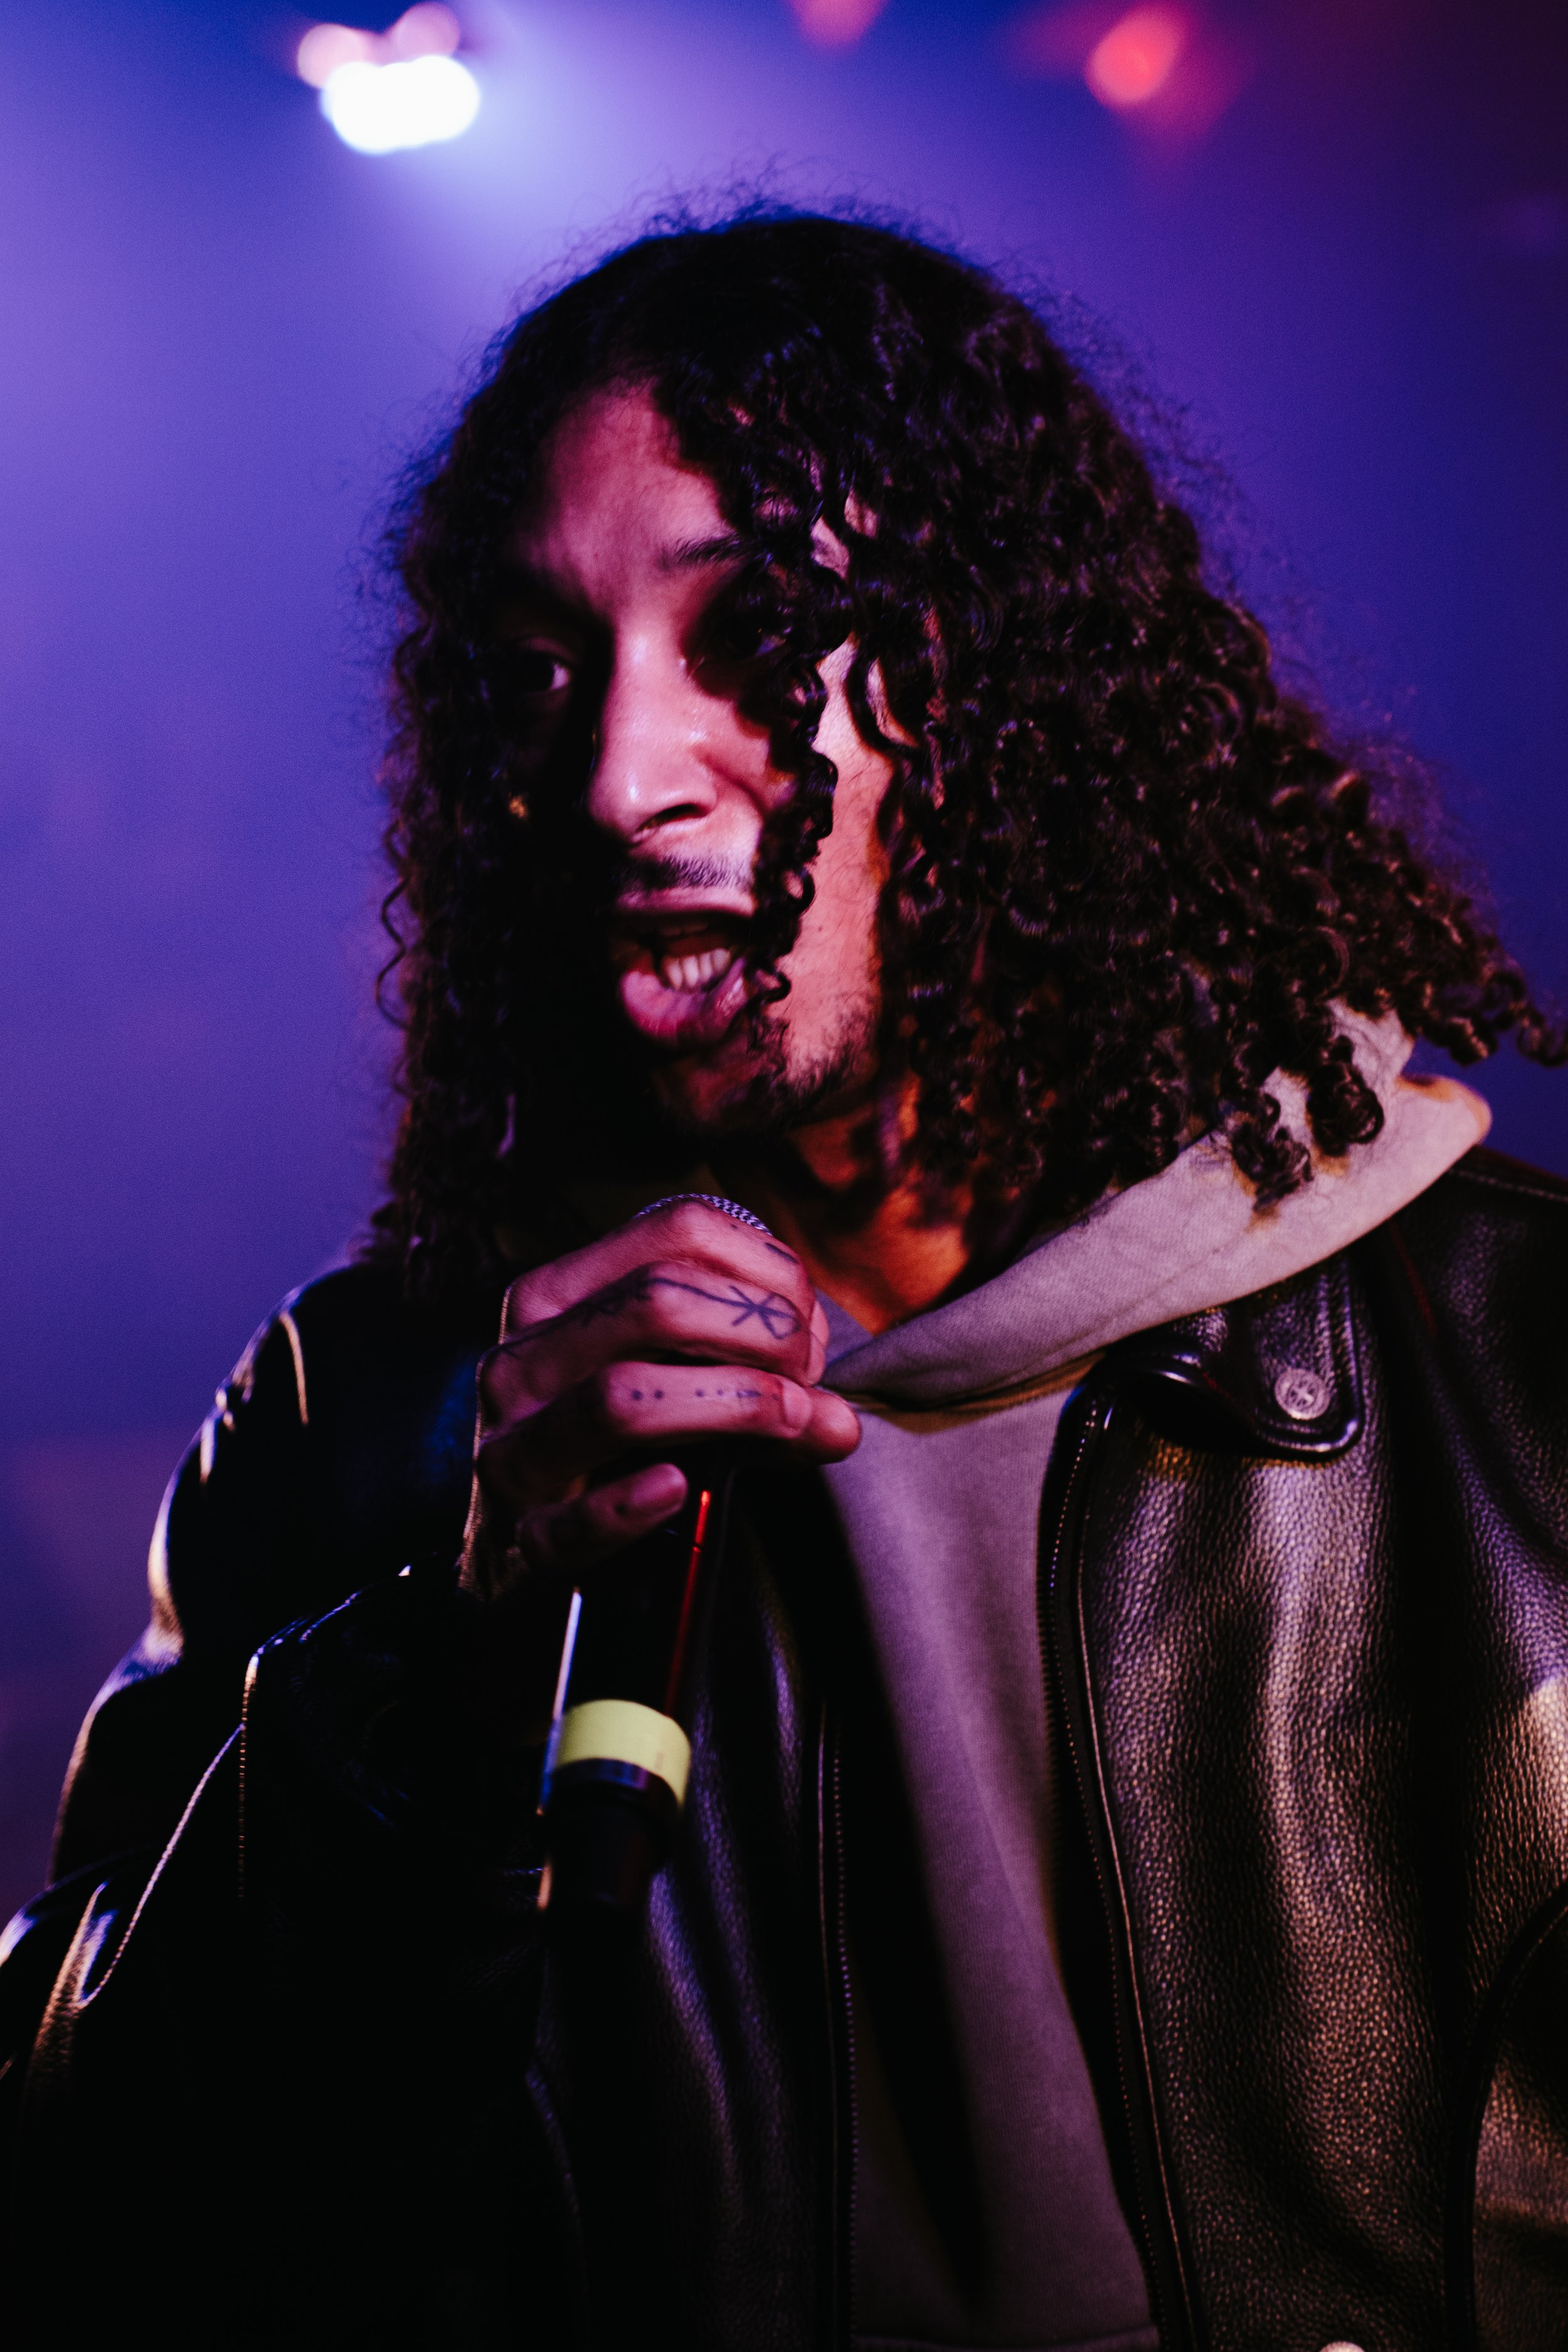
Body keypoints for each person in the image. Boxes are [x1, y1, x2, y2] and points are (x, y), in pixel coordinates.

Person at [3, 209, 1567, 2352]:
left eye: (753, 635)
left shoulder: (1515, 1382)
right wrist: (444, 1675)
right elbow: (85, 2222)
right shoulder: (367, 1414)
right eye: (541, 673)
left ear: (999, 691)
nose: (615, 777)